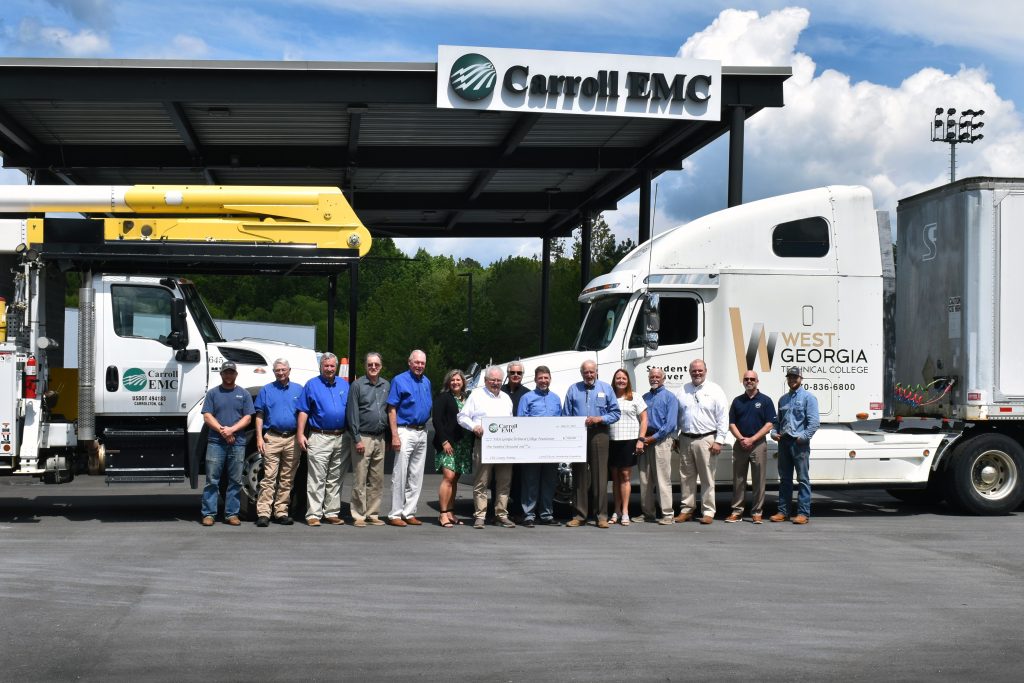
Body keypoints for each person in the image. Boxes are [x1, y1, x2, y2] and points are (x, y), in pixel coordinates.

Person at [562, 360, 620, 528]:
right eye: (585, 372)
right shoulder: (573, 389)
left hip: (599, 432)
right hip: (578, 434)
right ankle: (579, 515)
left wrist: (600, 418)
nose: (589, 375)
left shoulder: (606, 388)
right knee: (579, 474)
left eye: (591, 372)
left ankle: (601, 516)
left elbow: (615, 413)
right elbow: (566, 414)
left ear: (596, 372)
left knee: (600, 475)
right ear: (581, 373)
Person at [296, 353, 350, 527]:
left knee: (335, 478)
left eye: (332, 366)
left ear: (336, 367)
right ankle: (313, 514)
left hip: (341, 437)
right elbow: (303, 410)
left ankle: (331, 512)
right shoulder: (312, 385)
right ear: (321, 366)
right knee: (317, 477)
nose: (329, 369)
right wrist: (300, 433)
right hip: (319, 436)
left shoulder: (344, 384)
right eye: (326, 366)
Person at [458, 365, 515, 529]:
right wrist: (474, 427)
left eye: (498, 380)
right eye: (492, 380)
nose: (496, 383)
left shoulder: (506, 398)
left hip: (505, 446)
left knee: (504, 481)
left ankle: (501, 514)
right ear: (485, 381)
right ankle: (480, 515)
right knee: (481, 481)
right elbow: (462, 417)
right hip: (483, 443)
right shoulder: (476, 395)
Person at [673, 359, 729, 525]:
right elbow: (677, 416)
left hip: (707, 439)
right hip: (685, 438)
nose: (697, 373)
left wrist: (719, 440)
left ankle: (708, 511)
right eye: (694, 371)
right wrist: (676, 437)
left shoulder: (715, 390)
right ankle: (686, 509)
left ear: (706, 370)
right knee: (686, 477)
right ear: (689, 372)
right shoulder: (683, 390)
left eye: (700, 370)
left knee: (707, 478)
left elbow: (723, 417)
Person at [200, 361, 254, 527]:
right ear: (221, 374)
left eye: (231, 372)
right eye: (226, 372)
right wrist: (223, 431)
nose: (228, 375)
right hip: (216, 442)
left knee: (235, 481)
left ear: (236, 374)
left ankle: (232, 514)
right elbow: (207, 416)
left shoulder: (244, 394)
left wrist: (232, 430)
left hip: (237, 443)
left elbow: (248, 417)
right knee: (212, 480)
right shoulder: (213, 393)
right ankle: (209, 514)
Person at [253, 358, 304, 527]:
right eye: (277, 370)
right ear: (273, 372)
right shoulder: (266, 390)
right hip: (272, 437)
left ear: (289, 370)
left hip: (292, 439)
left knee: (287, 478)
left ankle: (281, 511)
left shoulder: (299, 390)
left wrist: (301, 434)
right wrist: (259, 437)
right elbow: (259, 415)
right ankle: (263, 513)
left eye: (283, 370)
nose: (281, 373)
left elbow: (304, 414)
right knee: (269, 477)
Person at [387, 349, 433, 527]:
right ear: (409, 362)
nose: (419, 366)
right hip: (405, 429)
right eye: (417, 362)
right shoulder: (399, 380)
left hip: (422, 431)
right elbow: (392, 409)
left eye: (422, 363)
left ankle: (409, 512)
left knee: (416, 474)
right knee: (400, 473)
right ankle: (395, 514)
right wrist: (395, 435)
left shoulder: (426, 381)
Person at [771, 366, 820, 525]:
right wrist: (773, 433)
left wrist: (803, 437)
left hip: (799, 444)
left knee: (803, 479)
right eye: (790, 377)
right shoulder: (783, 399)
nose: (792, 380)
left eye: (795, 377)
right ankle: (783, 512)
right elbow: (777, 422)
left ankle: (803, 514)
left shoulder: (809, 398)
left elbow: (814, 423)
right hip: (784, 442)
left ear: (801, 378)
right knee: (785, 479)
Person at [726, 370, 777, 524]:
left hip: (758, 444)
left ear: (757, 381)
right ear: (743, 381)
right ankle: (737, 511)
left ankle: (757, 512)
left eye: (752, 379)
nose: (749, 381)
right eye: (746, 379)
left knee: (759, 480)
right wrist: (742, 438)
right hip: (740, 444)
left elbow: (769, 424)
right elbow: (731, 423)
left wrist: (752, 439)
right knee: (739, 479)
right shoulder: (737, 401)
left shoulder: (766, 400)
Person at [346, 352, 390, 527]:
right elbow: (352, 414)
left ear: (381, 366)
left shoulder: (386, 385)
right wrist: (356, 438)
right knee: (360, 478)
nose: (373, 367)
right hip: (363, 437)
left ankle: (373, 513)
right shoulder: (357, 385)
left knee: (377, 479)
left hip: (380, 437)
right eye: (370, 364)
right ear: (365, 366)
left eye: (376, 364)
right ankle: (358, 515)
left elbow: (389, 411)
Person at [517, 365, 562, 527]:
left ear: (550, 379)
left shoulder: (556, 398)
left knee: (549, 482)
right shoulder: (527, 398)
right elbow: (521, 422)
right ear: (535, 379)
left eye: (546, 377)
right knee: (531, 481)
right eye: (540, 378)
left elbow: (561, 422)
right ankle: (529, 515)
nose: (543, 380)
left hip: (551, 448)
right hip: (532, 448)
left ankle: (546, 514)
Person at [432, 369, 473, 528]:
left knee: (455, 479)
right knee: (448, 477)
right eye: (452, 380)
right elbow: (437, 421)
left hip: (464, 444)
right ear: (448, 382)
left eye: (458, 380)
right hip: (448, 444)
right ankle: (442, 514)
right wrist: (444, 441)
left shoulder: (467, 398)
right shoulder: (443, 398)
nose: (456, 382)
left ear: (463, 382)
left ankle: (450, 512)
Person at [640, 367, 679, 525]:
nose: (654, 379)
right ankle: (648, 514)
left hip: (661, 440)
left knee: (663, 479)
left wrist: (653, 438)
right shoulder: (644, 397)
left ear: (663, 378)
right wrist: (643, 439)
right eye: (652, 376)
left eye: (657, 376)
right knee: (645, 479)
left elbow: (670, 424)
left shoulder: (670, 397)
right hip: (645, 440)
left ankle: (668, 515)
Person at [609, 369, 647, 526]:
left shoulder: (636, 397)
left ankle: (625, 512)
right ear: (614, 380)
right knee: (615, 478)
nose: (621, 381)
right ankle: (616, 511)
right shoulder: (609, 396)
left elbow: (644, 419)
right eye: (618, 378)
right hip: (611, 441)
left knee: (625, 476)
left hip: (629, 441)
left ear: (628, 381)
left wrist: (641, 439)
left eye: (624, 378)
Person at [501, 360, 529, 519]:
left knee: (519, 477)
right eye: (512, 373)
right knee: (499, 478)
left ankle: (518, 511)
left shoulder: (528, 393)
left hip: (520, 443)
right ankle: (499, 510)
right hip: (501, 442)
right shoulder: (500, 391)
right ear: (508, 374)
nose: (516, 375)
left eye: (519, 373)